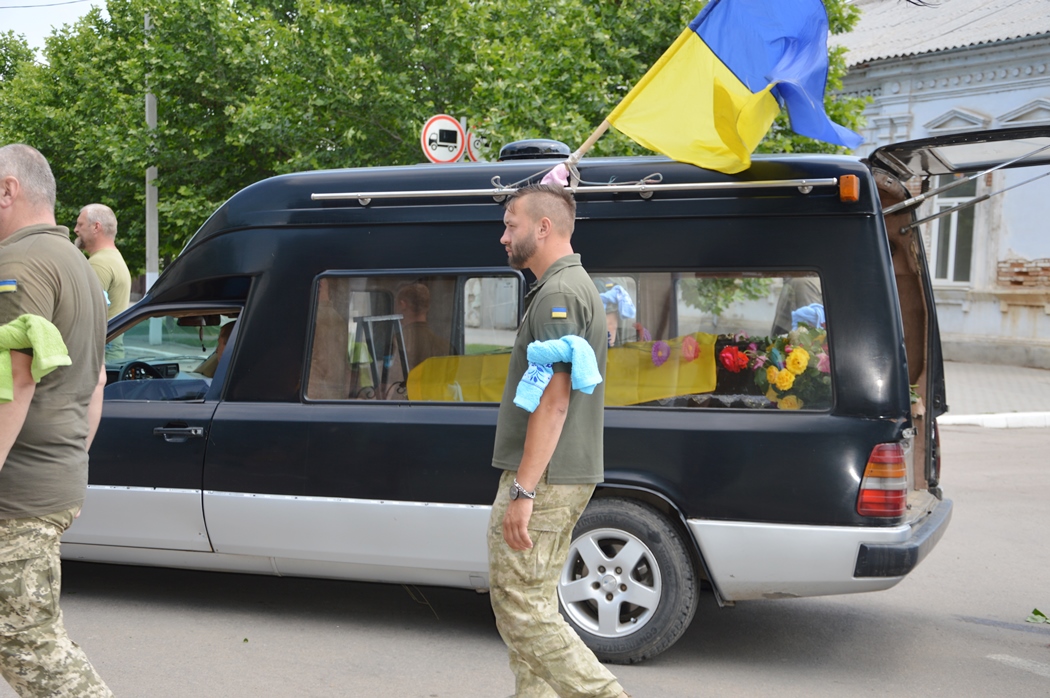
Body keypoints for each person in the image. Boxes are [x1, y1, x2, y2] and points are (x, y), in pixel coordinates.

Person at [488, 184, 628, 698]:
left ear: (543, 228)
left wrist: (523, 492)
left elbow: (554, 400)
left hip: (545, 478)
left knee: (520, 609)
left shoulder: (560, 294)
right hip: (556, 473)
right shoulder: (567, 285)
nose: (503, 236)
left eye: (511, 223)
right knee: (534, 606)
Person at [0, 144, 112, 696]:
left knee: (29, 647)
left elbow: (16, 379)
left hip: (15, 495)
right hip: (53, 481)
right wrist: (69, 457)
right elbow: (97, 381)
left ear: (7, 190)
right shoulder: (79, 267)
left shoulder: (18, 265)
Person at [74, 203, 131, 360]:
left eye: (80, 224)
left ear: (96, 227)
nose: (76, 230)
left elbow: (84, 316)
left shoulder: (99, 263)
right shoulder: (113, 257)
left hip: (99, 359)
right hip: (111, 355)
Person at [394, 282, 450, 369]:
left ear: (402, 305)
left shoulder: (397, 342)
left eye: (396, 305)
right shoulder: (446, 346)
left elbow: (391, 380)